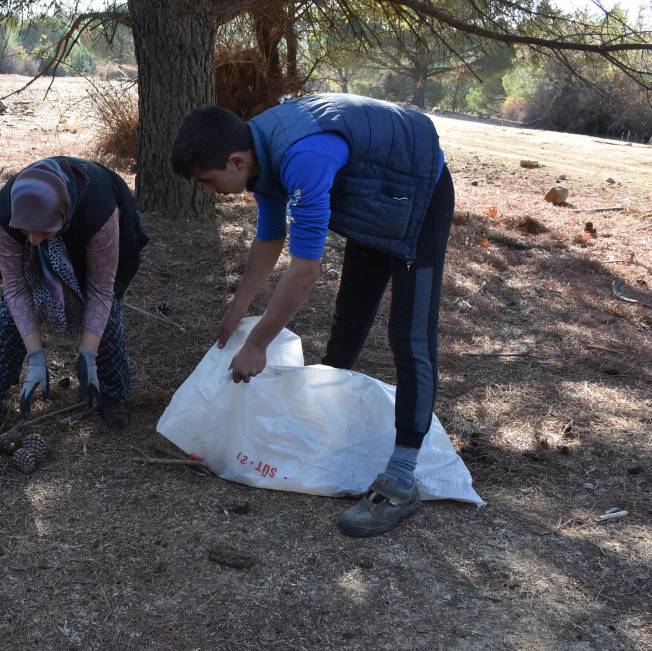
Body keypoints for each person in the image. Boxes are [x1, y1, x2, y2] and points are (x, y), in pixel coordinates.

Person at [171, 94, 454, 538]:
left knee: (409, 335)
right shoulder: (259, 152)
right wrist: (238, 309)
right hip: (373, 194)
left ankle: (401, 477)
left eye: (207, 180)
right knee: (351, 316)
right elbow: (269, 239)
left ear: (236, 160)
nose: (207, 191)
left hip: (417, 188)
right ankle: (327, 422)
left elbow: (303, 272)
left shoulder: (302, 157)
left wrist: (258, 343)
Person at [0, 156, 148, 437]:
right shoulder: (5, 215)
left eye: (42, 232)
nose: (33, 240)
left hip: (93, 230)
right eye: (26, 231)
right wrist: (36, 357)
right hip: (56, 225)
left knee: (107, 312)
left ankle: (112, 394)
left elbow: (102, 289)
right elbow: (15, 287)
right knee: (8, 315)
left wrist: (88, 354)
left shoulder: (100, 212)